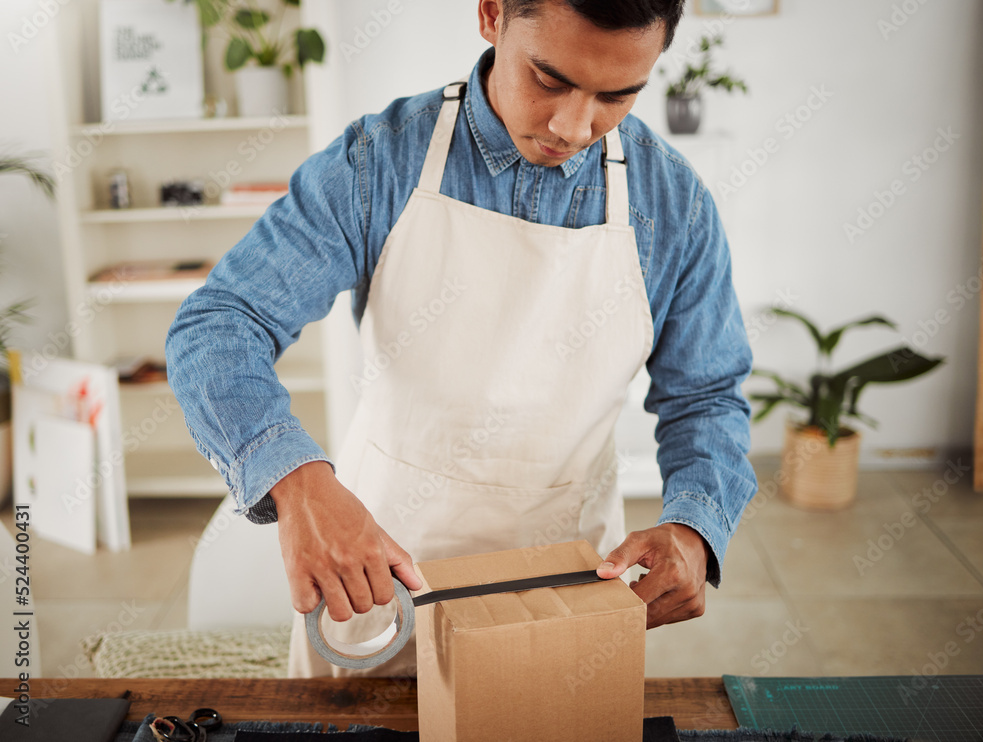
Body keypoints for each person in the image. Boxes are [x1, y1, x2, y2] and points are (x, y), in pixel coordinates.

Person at [166, 0, 758, 677]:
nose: (573, 125)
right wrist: (297, 484)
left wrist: (694, 528)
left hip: (568, 581)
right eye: (548, 79)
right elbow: (220, 320)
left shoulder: (675, 204)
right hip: (379, 572)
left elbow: (707, 397)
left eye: (616, 96)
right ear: (491, 14)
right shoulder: (378, 161)